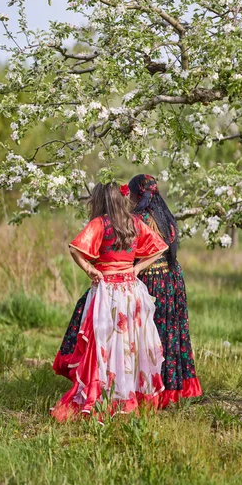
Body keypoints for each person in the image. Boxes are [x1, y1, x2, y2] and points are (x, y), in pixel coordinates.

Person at [53, 175, 202, 408]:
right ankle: (135, 391)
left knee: (106, 338)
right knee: (136, 341)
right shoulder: (146, 220)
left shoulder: (106, 222)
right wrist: (136, 268)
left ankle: (104, 389)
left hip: (116, 287)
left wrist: (91, 269)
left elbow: (75, 248)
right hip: (146, 287)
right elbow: (162, 247)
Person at [128, 174, 202, 406]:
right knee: (171, 330)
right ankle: (171, 388)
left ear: (136, 194)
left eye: (130, 194)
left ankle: (149, 391)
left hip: (151, 278)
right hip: (172, 277)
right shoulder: (166, 217)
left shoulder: (137, 219)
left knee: (150, 334)